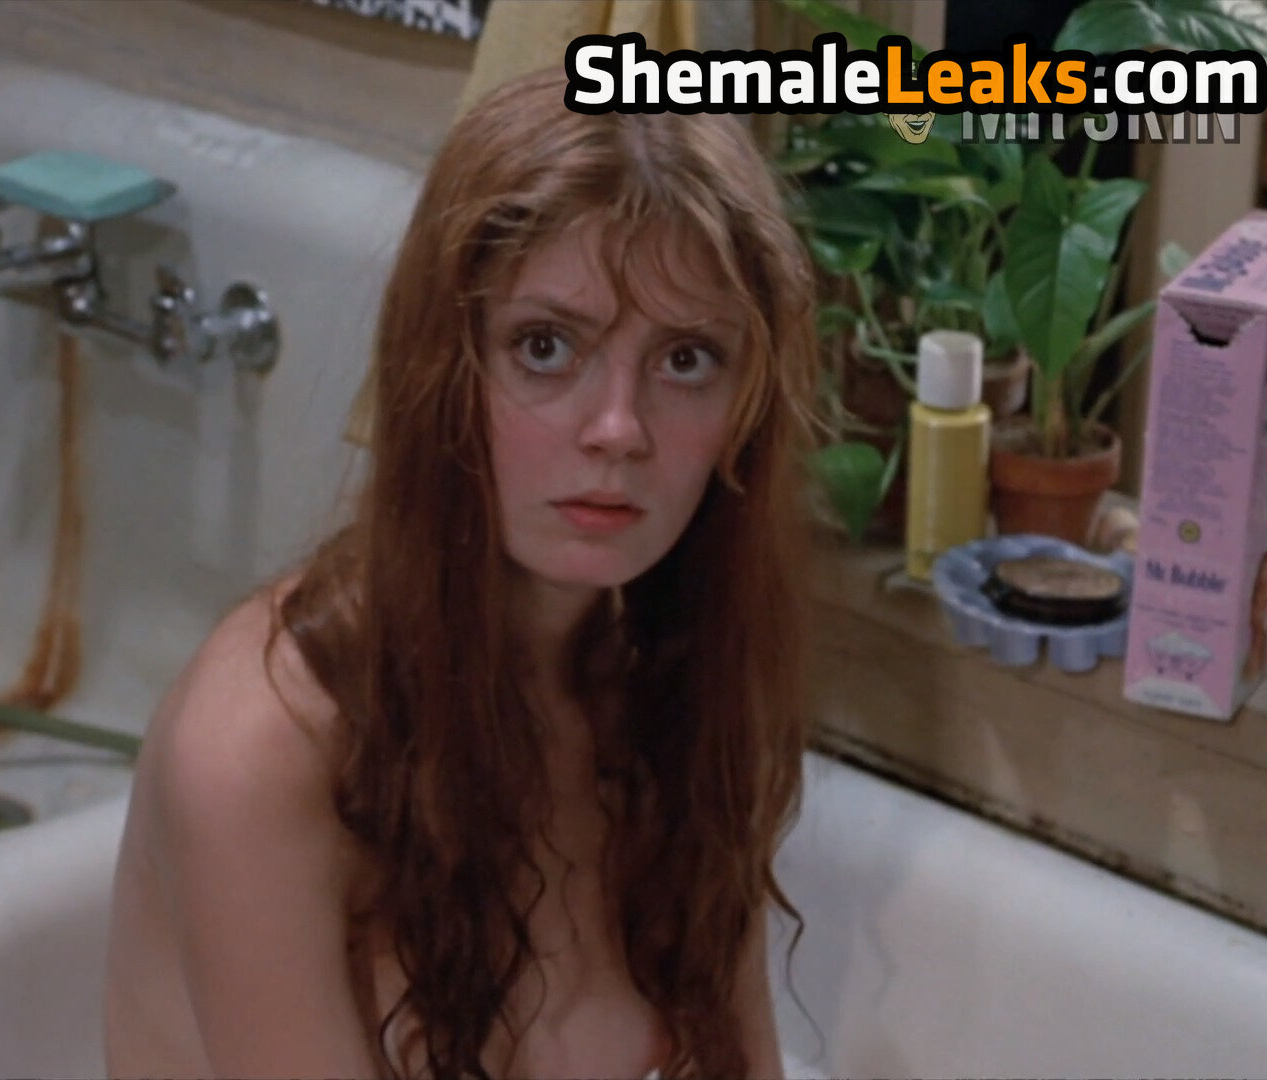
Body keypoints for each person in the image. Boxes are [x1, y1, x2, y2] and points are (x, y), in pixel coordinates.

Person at [103, 66, 816, 1080]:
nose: (619, 428)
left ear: (745, 409)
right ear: (444, 370)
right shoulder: (266, 742)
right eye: (545, 347)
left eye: (686, 360)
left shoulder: (674, 687)